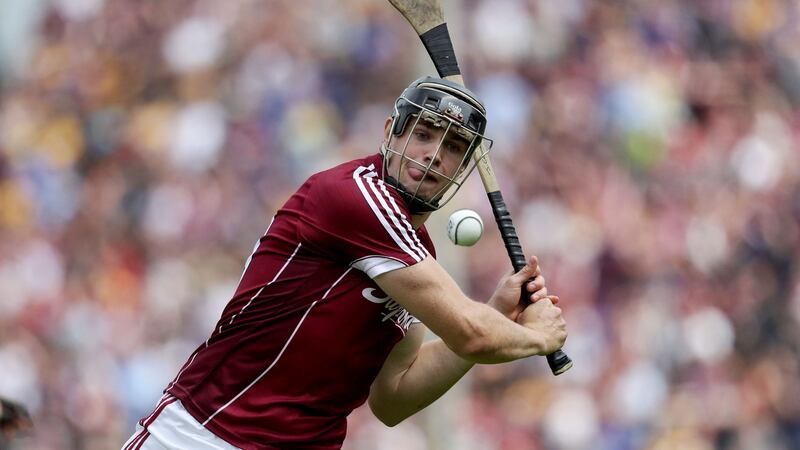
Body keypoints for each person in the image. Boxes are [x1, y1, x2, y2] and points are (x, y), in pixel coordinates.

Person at [122, 76, 567, 450]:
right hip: (205, 436)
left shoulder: (416, 253)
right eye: (425, 133)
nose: (434, 154)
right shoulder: (354, 197)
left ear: (464, 167)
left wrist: (495, 315)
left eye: (453, 146)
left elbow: (393, 397)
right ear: (392, 131)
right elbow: (471, 335)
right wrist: (535, 337)